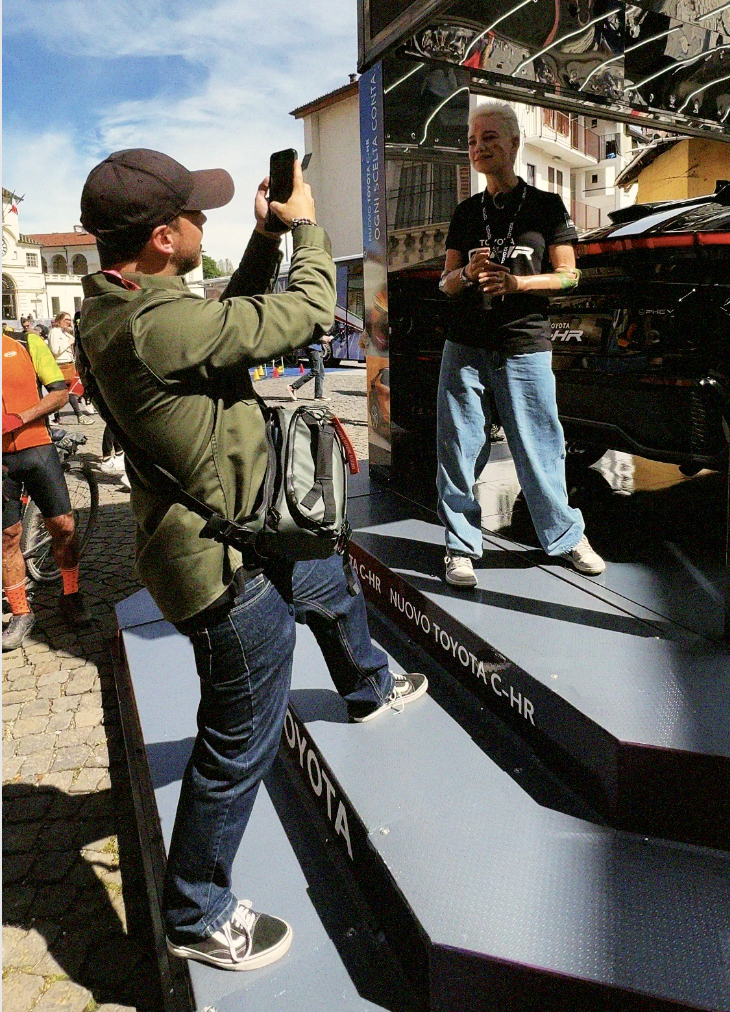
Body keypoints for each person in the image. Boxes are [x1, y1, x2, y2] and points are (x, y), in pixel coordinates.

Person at [77, 148, 427, 974]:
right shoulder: (154, 323)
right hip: (225, 572)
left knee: (328, 575)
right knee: (239, 741)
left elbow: (218, 327)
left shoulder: (125, 307)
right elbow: (305, 312)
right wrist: (305, 227)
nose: (208, 223)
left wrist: (264, 240)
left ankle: (368, 685)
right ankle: (196, 910)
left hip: (250, 531)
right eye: (197, 215)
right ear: (164, 238)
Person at [436, 102, 605, 588]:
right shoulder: (466, 213)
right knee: (460, 449)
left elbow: (570, 277)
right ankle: (461, 547)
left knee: (540, 448)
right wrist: (466, 274)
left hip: (525, 344)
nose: (478, 147)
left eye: (488, 137)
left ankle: (566, 536)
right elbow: (444, 283)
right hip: (465, 346)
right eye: (471, 140)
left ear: (513, 143)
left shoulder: (546, 206)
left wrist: (517, 285)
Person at [2, 327, 92, 651]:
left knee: (63, 526)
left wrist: (20, 417)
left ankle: (71, 595)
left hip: (37, 448)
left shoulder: (26, 343)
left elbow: (59, 393)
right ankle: (20, 613)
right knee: (7, 536)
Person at [48, 312, 92, 424]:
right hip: (61, 365)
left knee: (69, 391)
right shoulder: (54, 332)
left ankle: (57, 417)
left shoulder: (65, 333)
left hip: (69, 364)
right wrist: (68, 343)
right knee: (68, 391)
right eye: (66, 320)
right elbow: (55, 350)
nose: (69, 322)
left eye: (69, 319)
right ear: (59, 320)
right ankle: (79, 415)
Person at [286, 334, 331, 401]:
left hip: (318, 348)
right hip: (313, 349)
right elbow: (310, 335)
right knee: (315, 371)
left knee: (321, 372)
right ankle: (293, 387)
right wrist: (322, 338)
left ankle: (318, 395)